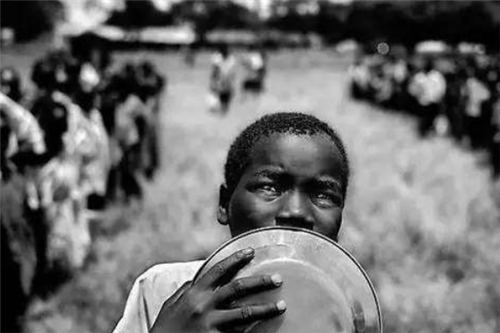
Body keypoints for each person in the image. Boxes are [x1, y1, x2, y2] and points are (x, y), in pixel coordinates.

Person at [112, 112, 350, 333]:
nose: (296, 211)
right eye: (269, 187)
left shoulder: (350, 312)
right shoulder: (161, 291)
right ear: (225, 204)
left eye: (324, 195)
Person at [209, 45, 237, 115]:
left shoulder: (231, 58)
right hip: (220, 78)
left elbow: (232, 70)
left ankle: (224, 108)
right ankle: (222, 108)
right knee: (220, 93)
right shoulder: (218, 58)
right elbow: (215, 69)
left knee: (226, 93)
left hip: (227, 78)